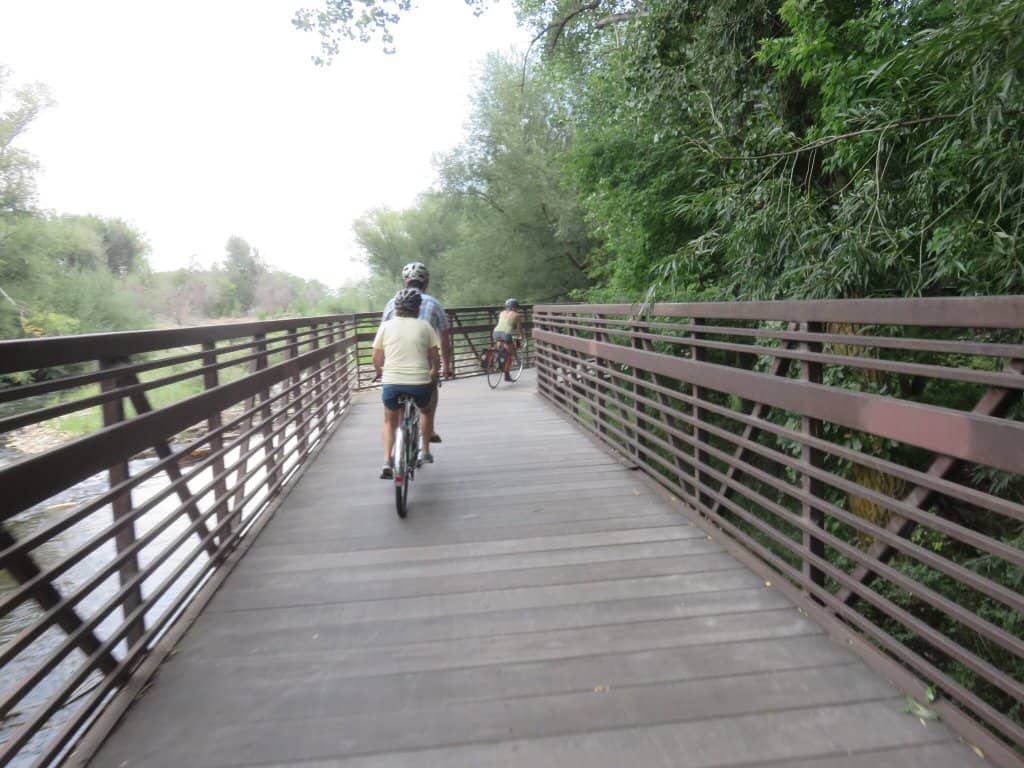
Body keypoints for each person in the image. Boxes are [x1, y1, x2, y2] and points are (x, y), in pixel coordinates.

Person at [372, 287, 441, 478]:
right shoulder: (424, 326)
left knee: (389, 421)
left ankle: (387, 460)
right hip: (419, 382)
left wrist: (380, 372)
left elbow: (376, 357)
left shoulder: (386, 326)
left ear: (396, 308)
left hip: (392, 382)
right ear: (417, 309)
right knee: (426, 410)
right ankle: (426, 451)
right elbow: (435, 356)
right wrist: (434, 371)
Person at [381, 261, 452, 442]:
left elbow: (383, 335)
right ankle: (430, 430)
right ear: (426, 281)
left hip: (396, 362)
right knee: (431, 385)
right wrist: (446, 366)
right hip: (424, 362)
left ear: (405, 281)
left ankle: (397, 431)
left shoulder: (391, 304)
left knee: (396, 395)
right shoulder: (435, 304)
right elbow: (444, 338)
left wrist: (381, 366)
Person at [492, 298, 525, 381]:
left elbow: (503, 323)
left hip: (495, 333)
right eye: (517, 307)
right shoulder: (516, 315)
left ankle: (495, 362)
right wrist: (522, 337)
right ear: (514, 307)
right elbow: (519, 329)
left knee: (500, 349)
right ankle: (507, 375)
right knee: (509, 354)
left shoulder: (501, 313)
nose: (517, 309)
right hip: (506, 334)